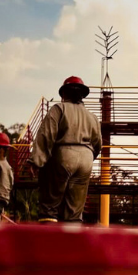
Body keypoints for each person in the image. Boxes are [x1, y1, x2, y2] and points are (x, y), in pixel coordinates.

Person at [28, 76, 102, 223]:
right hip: (86, 159)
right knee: (75, 210)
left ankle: (49, 232)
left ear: (63, 94)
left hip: (63, 155)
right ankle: (72, 235)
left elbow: (46, 135)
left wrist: (35, 161)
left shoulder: (58, 109)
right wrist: (87, 158)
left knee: (50, 205)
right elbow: (98, 144)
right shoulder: (92, 117)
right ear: (82, 95)